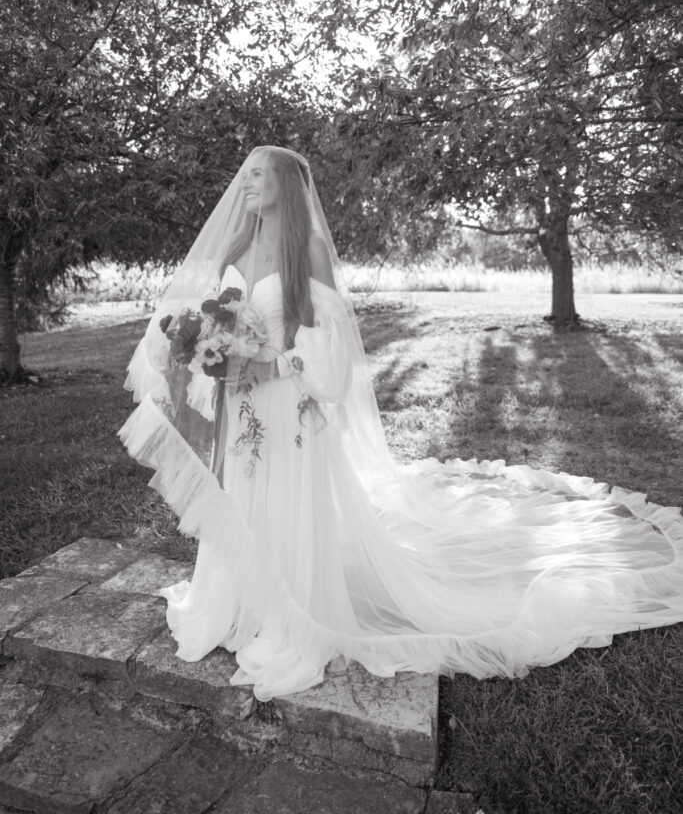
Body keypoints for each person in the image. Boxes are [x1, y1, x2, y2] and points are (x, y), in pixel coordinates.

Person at [118, 145, 683, 701]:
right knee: (242, 498)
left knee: (288, 501)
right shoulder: (238, 245)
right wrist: (212, 353)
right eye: (244, 175)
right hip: (240, 405)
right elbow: (218, 318)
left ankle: (292, 614)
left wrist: (273, 363)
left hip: (287, 401)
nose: (245, 184)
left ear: (286, 185)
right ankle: (237, 602)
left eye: (258, 175)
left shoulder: (307, 249)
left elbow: (329, 340)